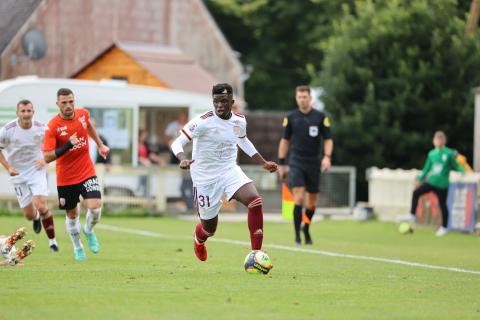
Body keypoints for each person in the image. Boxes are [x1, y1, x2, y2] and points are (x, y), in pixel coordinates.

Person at [170, 83, 278, 261]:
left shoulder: (239, 120)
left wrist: (263, 163)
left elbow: (242, 141)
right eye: (216, 101)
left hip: (229, 171)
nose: (219, 105)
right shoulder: (202, 121)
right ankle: (199, 239)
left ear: (232, 102)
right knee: (209, 229)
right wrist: (182, 158)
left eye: (224, 101)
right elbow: (177, 143)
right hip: (205, 178)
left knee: (255, 201)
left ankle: (255, 255)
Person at [43, 88, 110, 261]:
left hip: (86, 171)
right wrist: (67, 146)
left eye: (71, 101)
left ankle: (88, 230)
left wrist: (100, 145)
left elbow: (89, 127)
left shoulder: (83, 114)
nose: (68, 105)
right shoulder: (52, 127)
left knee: (95, 207)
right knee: (72, 215)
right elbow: (47, 156)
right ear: (57, 104)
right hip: (66, 178)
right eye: (64, 102)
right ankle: (77, 246)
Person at [277, 85, 333, 245]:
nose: (302, 99)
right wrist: (281, 163)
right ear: (296, 98)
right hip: (297, 162)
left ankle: (306, 228)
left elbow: (328, 139)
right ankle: (296, 236)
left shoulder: (321, 117)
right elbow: (284, 141)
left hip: (314, 163)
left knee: (312, 203)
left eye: (305, 97)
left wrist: (327, 157)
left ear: (310, 98)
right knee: (299, 196)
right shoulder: (291, 117)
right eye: (299, 97)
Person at [0, 100, 59, 251]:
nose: (26, 114)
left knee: (41, 205)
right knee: (28, 215)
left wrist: (45, 159)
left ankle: (52, 241)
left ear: (33, 112)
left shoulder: (42, 128)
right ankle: (36, 217)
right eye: (23, 111)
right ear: (17, 113)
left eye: (29, 111)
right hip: (17, 174)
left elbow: (54, 145)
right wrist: (8, 167)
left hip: (36, 171)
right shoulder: (8, 129)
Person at [400, 131, 464, 237]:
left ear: (444, 141)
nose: (438, 142)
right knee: (416, 193)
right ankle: (412, 214)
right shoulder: (431, 154)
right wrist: (420, 178)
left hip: (443, 184)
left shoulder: (448, 153)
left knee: (442, 205)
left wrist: (462, 171)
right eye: (437, 140)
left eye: (441, 139)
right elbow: (427, 168)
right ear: (434, 141)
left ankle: (444, 227)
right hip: (432, 182)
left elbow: (455, 165)